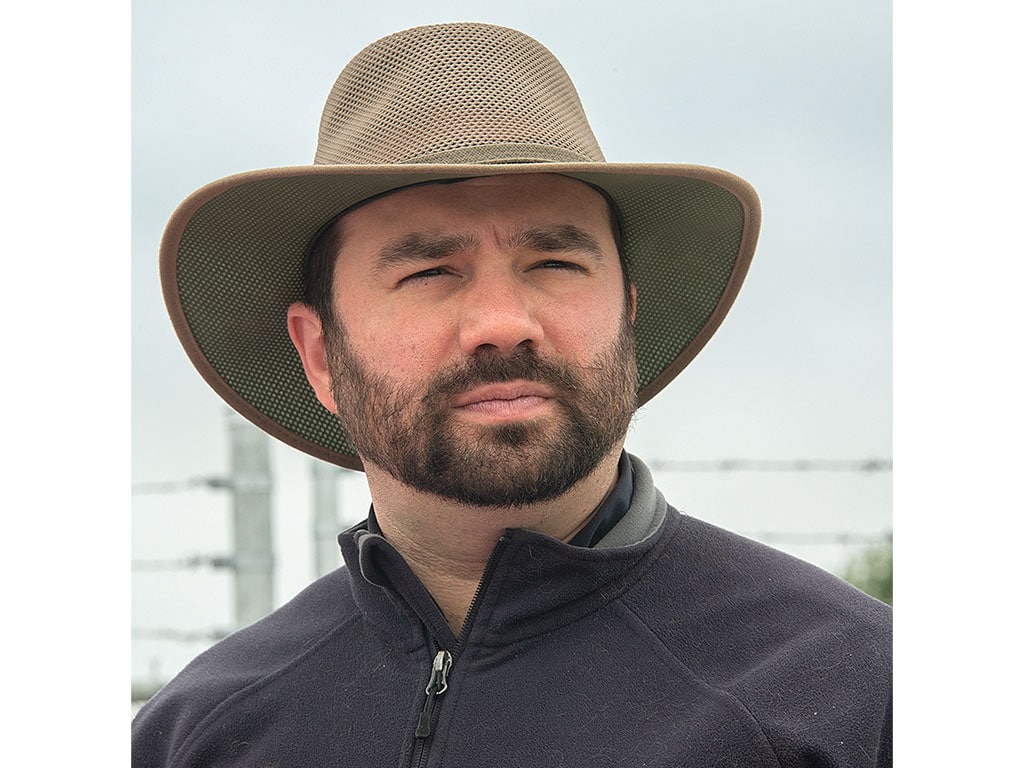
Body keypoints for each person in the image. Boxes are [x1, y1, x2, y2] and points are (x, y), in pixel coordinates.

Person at [132, 22, 892, 767]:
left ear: (627, 314)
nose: (503, 324)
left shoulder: (861, 698)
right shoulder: (200, 736)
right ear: (322, 354)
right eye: (429, 273)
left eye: (555, 262)